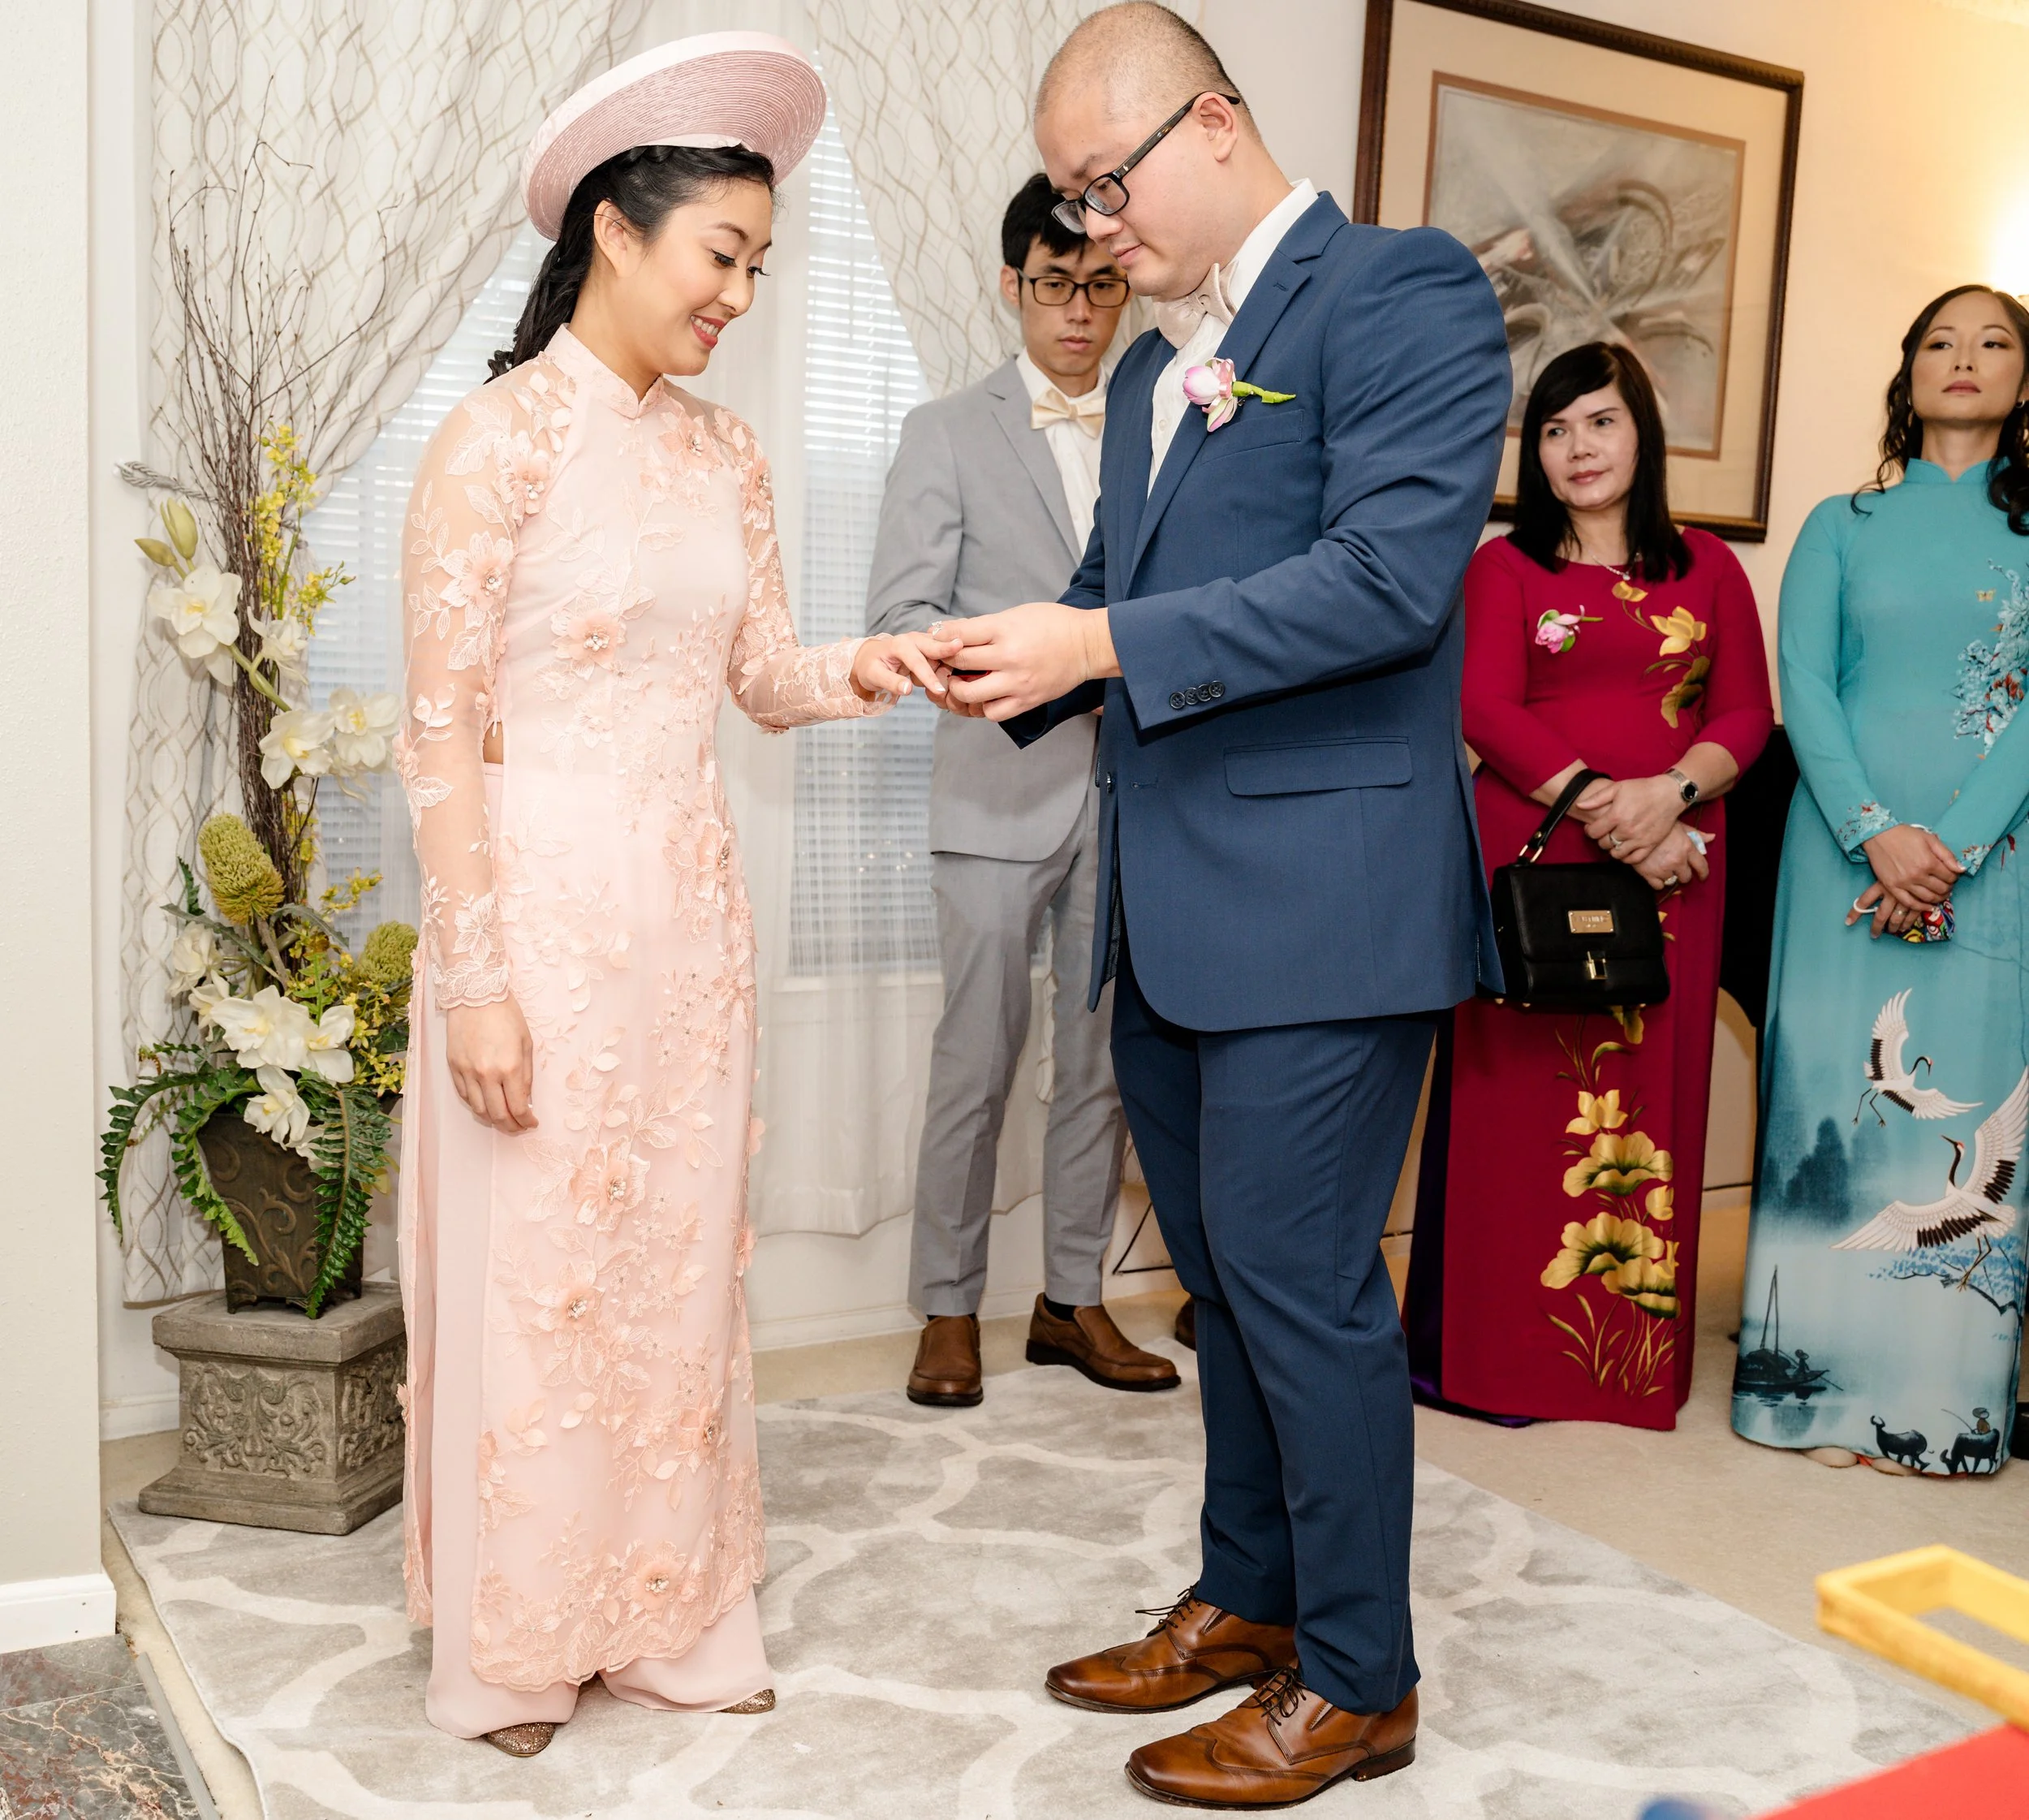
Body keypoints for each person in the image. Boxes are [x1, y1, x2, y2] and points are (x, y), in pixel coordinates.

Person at [934, 5, 1511, 1805]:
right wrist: (965, 657)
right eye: (1069, 204)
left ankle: (1359, 1678)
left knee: (1302, 1286)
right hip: (1171, 911)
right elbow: (1105, 598)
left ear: (1211, 122)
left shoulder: (1402, 292)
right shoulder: (1147, 375)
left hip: (1326, 908)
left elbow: (1384, 581)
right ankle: (1252, 1596)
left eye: (1101, 189)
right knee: (1228, 1290)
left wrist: (1097, 640)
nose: (1091, 232)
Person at [393, 34, 958, 1757]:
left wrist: (876, 662)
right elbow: (437, 731)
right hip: (536, 913)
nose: (739, 296)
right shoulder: (491, 443)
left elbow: (761, 676)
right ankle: (516, 1641)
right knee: (540, 1272)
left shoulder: (729, 456)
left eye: (761, 267)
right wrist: (475, 980)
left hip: (691, 917)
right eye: (722, 254)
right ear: (614, 232)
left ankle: (664, 1611)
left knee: (672, 1270)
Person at [1402, 342, 1773, 1429]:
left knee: (1650, 1100)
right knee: (1515, 1104)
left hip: (1680, 861)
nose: (1578, 448)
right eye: (1556, 430)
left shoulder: (1709, 566)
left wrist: (1672, 795)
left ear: (1642, 432)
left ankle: (1620, 1367)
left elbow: (1744, 712)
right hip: (1538, 856)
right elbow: (1485, 708)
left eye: (1601, 422)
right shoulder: (1505, 570)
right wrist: (1614, 809)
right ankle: (1494, 1359)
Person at [868, 175, 1178, 1406]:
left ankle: (1071, 1299)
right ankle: (947, 1306)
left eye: (1102, 286)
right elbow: (900, 618)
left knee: (1101, 1063)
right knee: (976, 1060)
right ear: (1013, 286)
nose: (1080, 313)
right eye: (1055, 286)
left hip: (1137, 791)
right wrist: (1022, 675)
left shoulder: (1168, 428)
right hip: (996, 792)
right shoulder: (946, 430)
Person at [1733, 284, 2029, 1475]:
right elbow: (1804, 687)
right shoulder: (1839, 523)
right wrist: (1877, 835)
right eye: (1940, 341)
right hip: (1838, 856)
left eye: (1994, 342)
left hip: (1991, 859)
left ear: (2024, 379)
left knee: (1970, 1122)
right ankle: (1810, 1398)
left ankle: (1943, 1405)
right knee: (1835, 1099)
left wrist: (1949, 847)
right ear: (1907, 373)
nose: (1965, 358)